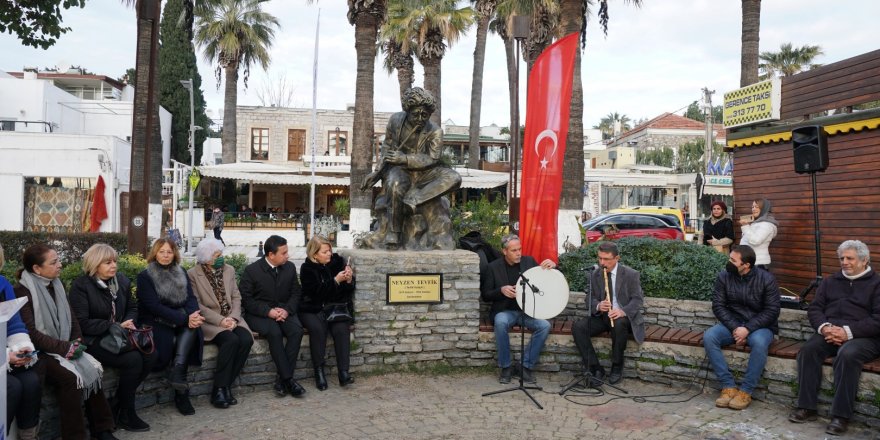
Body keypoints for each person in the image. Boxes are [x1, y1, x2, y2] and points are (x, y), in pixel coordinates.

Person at [14, 244, 117, 440]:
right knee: (70, 378)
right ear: (37, 268)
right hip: (38, 353)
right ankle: (75, 436)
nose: (60, 265)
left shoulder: (57, 285)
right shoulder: (22, 291)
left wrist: (76, 342)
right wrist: (65, 348)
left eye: (59, 260)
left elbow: (72, 319)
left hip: (63, 346)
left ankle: (102, 429)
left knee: (92, 369)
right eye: (54, 262)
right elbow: (32, 333)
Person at [789, 240, 880, 436]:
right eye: (842, 258)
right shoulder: (831, 281)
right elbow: (815, 308)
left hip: (865, 337)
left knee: (847, 355)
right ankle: (807, 407)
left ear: (864, 260)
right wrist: (825, 327)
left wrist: (847, 332)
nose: (844, 262)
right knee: (808, 350)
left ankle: (841, 416)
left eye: (850, 258)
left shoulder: (876, 284)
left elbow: (878, 319)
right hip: (831, 332)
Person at [360, 87, 462, 248]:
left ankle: (413, 199)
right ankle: (394, 233)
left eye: (425, 115)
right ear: (407, 111)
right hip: (400, 170)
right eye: (416, 114)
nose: (420, 119)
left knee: (454, 178)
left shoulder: (436, 131)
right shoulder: (395, 121)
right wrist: (377, 173)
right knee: (394, 184)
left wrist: (405, 158)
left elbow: (433, 158)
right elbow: (387, 149)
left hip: (426, 172)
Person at [70, 243, 156, 431]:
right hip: (94, 339)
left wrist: (128, 322)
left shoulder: (122, 281)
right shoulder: (82, 286)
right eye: (107, 262)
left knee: (150, 354)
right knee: (133, 360)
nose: (114, 266)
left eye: (115, 261)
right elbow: (82, 322)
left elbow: (133, 308)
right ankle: (127, 412)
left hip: (122, 336)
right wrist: (114, 326)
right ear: (95, 264)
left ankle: (118, 404)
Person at [703, 245, 780, 410]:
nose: (728, 262)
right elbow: (718, 305)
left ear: (746, 265)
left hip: (761, 326)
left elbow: (772, 311)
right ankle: (728, 386)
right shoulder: (724, 277)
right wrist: (736, 327)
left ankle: (746, 391)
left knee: (759, 343)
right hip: (734, 323)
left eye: (733, 260)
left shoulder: (767, 279)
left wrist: (748, 328)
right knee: (710, 336)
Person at [137, 238, 205, 416]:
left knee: (193, 328)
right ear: (155, 253)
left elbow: (190, 298)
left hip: (180, 316)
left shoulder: (181, 271)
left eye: (169, 252)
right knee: (174, 339)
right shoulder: (145, 276)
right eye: (162, 251)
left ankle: (178, 374)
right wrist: (185, 319)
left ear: (174, 253)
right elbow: (154, 307)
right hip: (155, 320)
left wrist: (193, 315)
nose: (166, 255)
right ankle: (181, 391)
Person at [480, 234, 554, 384]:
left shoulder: (529, 262)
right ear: (505, 251)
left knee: (545, 325)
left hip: (528, 311)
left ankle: (525, 367)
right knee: (500, 322)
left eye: (519, 249)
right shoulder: (493, 267)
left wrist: (553, 266)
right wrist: (501, 290)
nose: (518, 253)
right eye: (514, 250)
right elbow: (486, 295)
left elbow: (546, 280)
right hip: (505, 311)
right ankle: (505, 367)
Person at [188, 239, 254, 409]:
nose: (221, 258)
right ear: (206, 258)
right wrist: (220, 321)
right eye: (217, 255)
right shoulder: (193, 274)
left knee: (245, 339)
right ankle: (219, 389)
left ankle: (225, 385)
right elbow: (197, 304)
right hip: (210, 321)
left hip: (231, 317)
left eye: (221, 254)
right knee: (230, 341)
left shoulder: (229, 270)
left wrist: (232, 318)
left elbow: (236, 297)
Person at [239, 235, 306, 398]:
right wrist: (268, 312)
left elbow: (296, 293)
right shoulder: (252, 271)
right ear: (271, 255)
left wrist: (287, 310)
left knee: (296, 331)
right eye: (284, 253)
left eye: (287, 252)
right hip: (259, 314)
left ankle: (281, 380)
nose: (288, 256)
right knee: (274, 333)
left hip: (284, 311)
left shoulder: (289, 268)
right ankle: (288, 379)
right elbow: (246, 300)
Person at [572, 241, 645, 385]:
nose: (602, 262)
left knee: (618, 324)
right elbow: (589, 298)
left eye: (606, 259)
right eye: (599, 258)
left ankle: (617, 366)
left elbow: (637, 300)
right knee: (578, 327)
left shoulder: (630, 274)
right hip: (603, 316)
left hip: (623, 317)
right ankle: (595, 368)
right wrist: (599, 305)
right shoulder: (595, 274)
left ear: (617, 258)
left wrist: (622, 311)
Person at [298, 236, 355, 390]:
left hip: (333, 308)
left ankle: (344, 372)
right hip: (312, 308)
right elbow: (315, 293)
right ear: (314, 254)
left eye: (330, 250)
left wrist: (348, 280)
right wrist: (335, 280)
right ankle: (319, 372)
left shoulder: (336, 262)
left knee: (342, 328)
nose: (329, 254)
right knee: (318, 329)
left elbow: (345, 293)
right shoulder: (307, 268)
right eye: (325, 252)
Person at [1, 243, 41, 440]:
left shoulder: (2, 284)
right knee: (10, 387)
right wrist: (5, 357)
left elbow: (14, 322)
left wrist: (22, 348)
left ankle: (28, 436)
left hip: (4, 354)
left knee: (31, 381)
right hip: (2, 357)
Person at [739, 198, 778, 269]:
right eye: (752, 207)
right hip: (751, 261)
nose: (753, 209)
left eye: (757, 207)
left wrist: (745, 226)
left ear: (764, 208)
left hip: (758, 263)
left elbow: (755, 241)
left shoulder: (767, 224)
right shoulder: (757, 223)